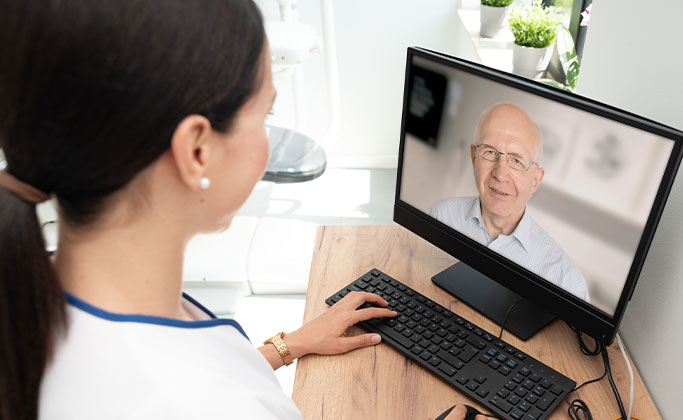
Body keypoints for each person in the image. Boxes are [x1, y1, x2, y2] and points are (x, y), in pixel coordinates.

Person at [0, 2, 412, 419]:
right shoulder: (223, 405)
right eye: (264, 115)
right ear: (197, 150)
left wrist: (287, 347)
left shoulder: (30, 283)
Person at [429, 103, 589, 302]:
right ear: (473, 157)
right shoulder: (440, 217)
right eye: (489, 152)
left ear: (536, 180)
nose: (500, 174)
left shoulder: (564, 278)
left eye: (516, 161)